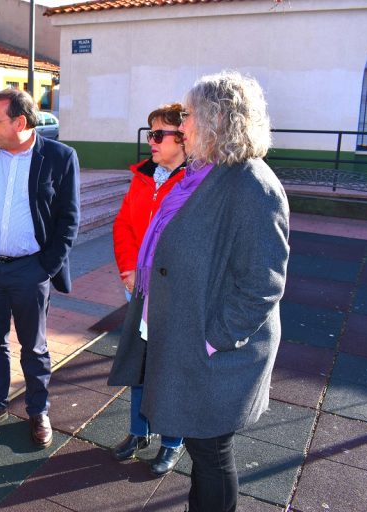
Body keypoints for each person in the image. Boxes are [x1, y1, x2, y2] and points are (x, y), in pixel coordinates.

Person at [108, 71, 289, 511]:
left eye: (187, 116)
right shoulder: (203, 174)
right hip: (188, 337)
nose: (181, 125)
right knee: (202, 449)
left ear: (216, 119)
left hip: (217, 352)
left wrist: (216, 339)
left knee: (211, 453)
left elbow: (263, 285)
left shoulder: (251, 185)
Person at [0, 88, 80, 447]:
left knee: (33, 346)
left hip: (31, 270)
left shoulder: (59, 157)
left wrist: (46, 267)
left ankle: (38, 410)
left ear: (20, 122)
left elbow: (69, 220)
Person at [110, 103, 187, 475]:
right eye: (150, 134)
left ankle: (172, 440)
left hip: (172, 291)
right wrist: (128, 269)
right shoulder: (144, 176)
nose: (151, 142)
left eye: (159, 135)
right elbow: (123, 223)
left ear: (183, 138)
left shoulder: (195, 182)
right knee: (138, 361)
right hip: (138, 284)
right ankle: (138, 431)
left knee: (168, 368)